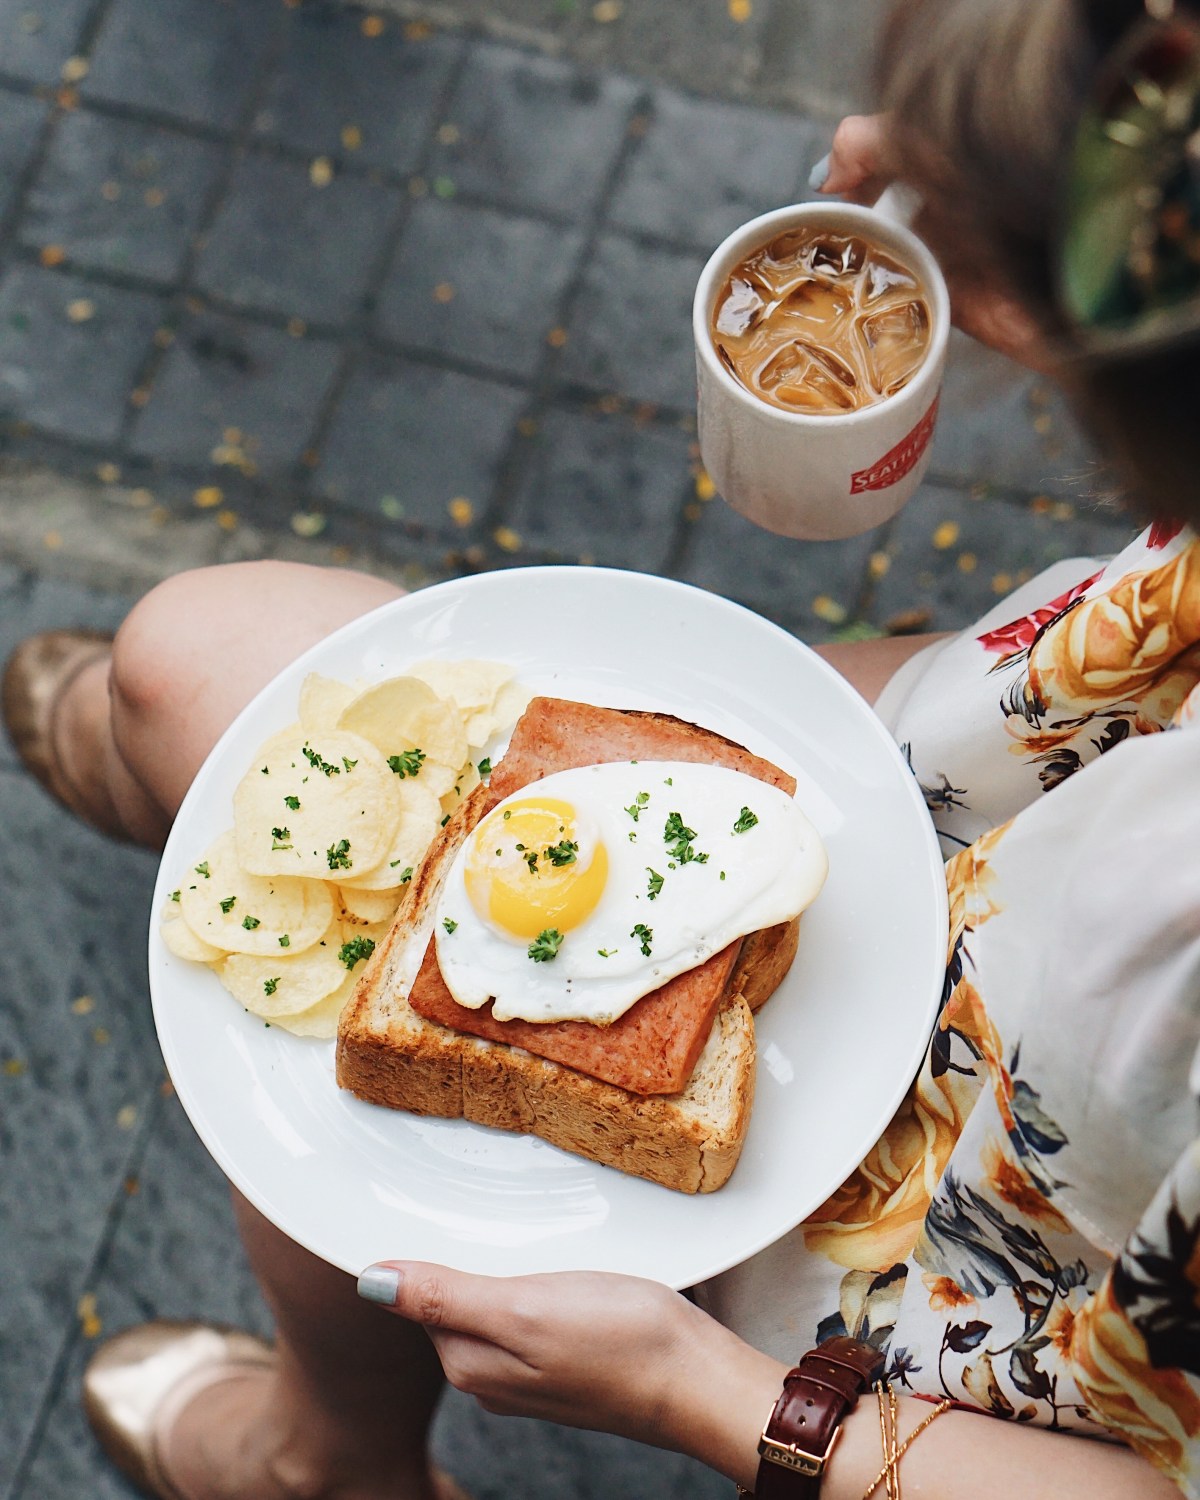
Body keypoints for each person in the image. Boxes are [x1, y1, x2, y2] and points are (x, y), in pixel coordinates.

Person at [7, 0, 1200, 1494]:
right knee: (186, 671)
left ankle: (332, 1464)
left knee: (186, 696)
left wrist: (708, 1397)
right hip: (985, 804)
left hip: (968, 1299)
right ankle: (175, 794)